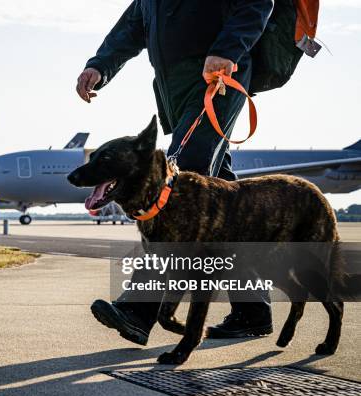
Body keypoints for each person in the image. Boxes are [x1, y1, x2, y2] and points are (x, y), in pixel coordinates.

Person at [76, 1, 274, 340]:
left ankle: (139, 309)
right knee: (223, 206)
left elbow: (256, 3)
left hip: (217, 81)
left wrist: (228, 49)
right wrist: (99, 66)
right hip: (178, 92)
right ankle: (252, 310)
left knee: (178, 193)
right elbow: (130, 29)